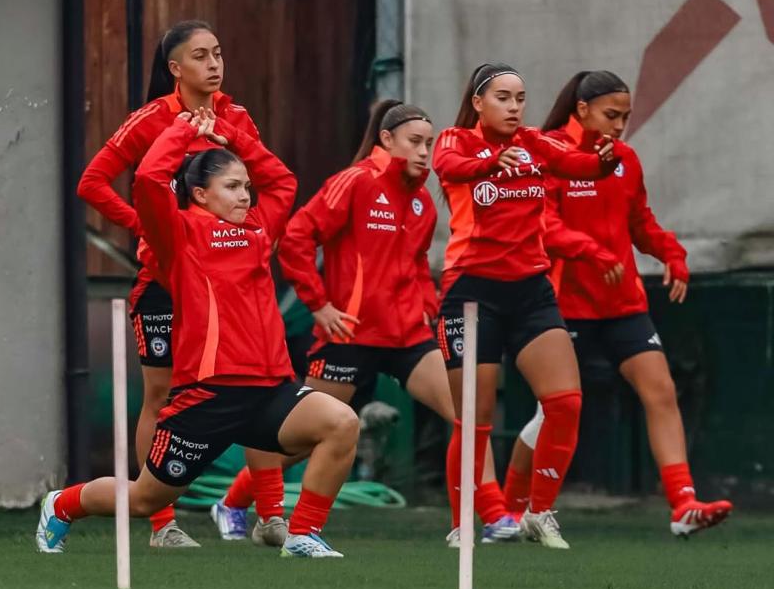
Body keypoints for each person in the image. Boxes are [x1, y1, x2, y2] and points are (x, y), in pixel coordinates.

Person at [38, 109, 358, 558]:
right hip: (206, 397)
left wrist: (231, 136)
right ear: (200, 194)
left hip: (268, 390)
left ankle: (303, 533)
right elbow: (149, 179)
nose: (245, 195)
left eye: (247, 186)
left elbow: (282, 181)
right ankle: (62, 504)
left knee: (342, 423)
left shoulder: (260, 231)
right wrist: (182, 129)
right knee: (147, 497)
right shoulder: (178, 234)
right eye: (232, 187)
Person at [274, 99, 520, 544]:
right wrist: (320, 306)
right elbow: (295, 239)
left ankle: (494, 515)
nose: (425, 152)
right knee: (305, 436)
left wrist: (430, 303)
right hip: (348, 333)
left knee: (467, 411)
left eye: (429, 143)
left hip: (407, 336)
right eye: (415, 142)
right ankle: (234, 503)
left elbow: (415, 263)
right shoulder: (353, 183)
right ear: (387, 140)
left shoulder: (424, 202)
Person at [78, 19, 285, 548]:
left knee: (255, 388)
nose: (214, 64)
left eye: (218, 53)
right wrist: (145, 226)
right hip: (168, 278)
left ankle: (269, 514)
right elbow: (92, 182)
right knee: (162, 393)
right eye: (200, 56)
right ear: (175, 68)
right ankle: (160, 523)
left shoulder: (236, 117)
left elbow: (261, 183)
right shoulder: (151, 119)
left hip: (226, 277)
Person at [503, 71, 733, 537]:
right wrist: (591, 250)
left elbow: (640, 222)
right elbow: (541, 225)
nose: (620, 126)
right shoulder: (547, 153)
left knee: (661, 391)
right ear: (582, 109)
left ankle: (682, 505)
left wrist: (672, 252)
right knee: (551, 413)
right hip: (563, 305)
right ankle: (509, 511)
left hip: (622, 302)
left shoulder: (625, 159)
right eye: (612, 115)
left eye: (626, 117)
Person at [433, 62, 632, 549]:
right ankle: (464, 521)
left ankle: (539, 511)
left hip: (530, 290)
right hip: (472, 292)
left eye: (520, 98)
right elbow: (448, 169)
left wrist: (604, 161)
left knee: (565, 403)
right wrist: (487, 164)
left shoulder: (535, 144)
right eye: (503, 97)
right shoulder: (455, 140)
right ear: (479, 102)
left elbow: (580, 165)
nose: (515, 106)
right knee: (475, 419)